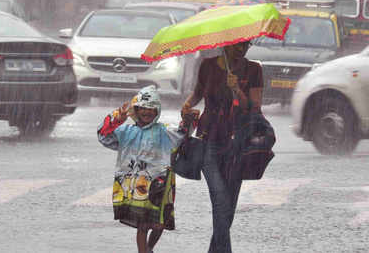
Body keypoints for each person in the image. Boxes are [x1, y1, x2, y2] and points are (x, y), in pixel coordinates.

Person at [181, 40, 264, 253]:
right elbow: (199, 93)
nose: (241, 49)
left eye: (246, 45)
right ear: (224, 44)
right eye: (236, 45)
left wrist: (237, 89)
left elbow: (253, 108)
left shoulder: (253, 69)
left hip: (238, 143)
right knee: (220, 200)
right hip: (209, 139)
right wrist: (188, 105)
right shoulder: (207, 66)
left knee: (229, 207)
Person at [97, 85, 186, 253]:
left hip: (160, 185)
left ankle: (150, 248)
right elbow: (103, 136)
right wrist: (117, 118)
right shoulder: (125, 131)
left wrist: (188, 121)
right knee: (143, 225)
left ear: (157, 110)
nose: (146, 112)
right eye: (142, 108)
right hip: (136, 185)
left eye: (151, 108)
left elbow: (183, 135)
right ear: (136, 110)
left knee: (159, 224)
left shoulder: (164, 131)